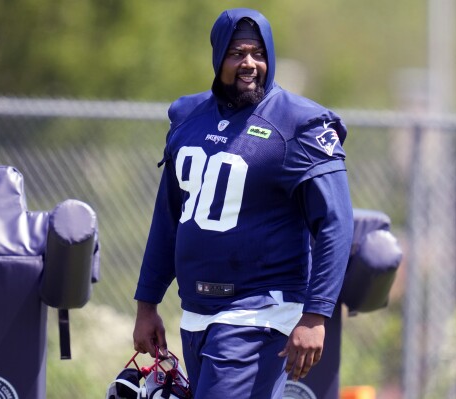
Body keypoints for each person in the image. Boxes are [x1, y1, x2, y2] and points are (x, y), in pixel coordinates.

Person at [133, 7, 353, 399]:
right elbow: (169, 216)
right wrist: (147, 303)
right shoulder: (189, 116)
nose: (250, 63)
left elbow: (335, 222)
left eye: (258, 53)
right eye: (237, 53)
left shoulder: (299, 123)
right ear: (218, 57)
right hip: (198, 313)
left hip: (259, 314)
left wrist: (316, 314)